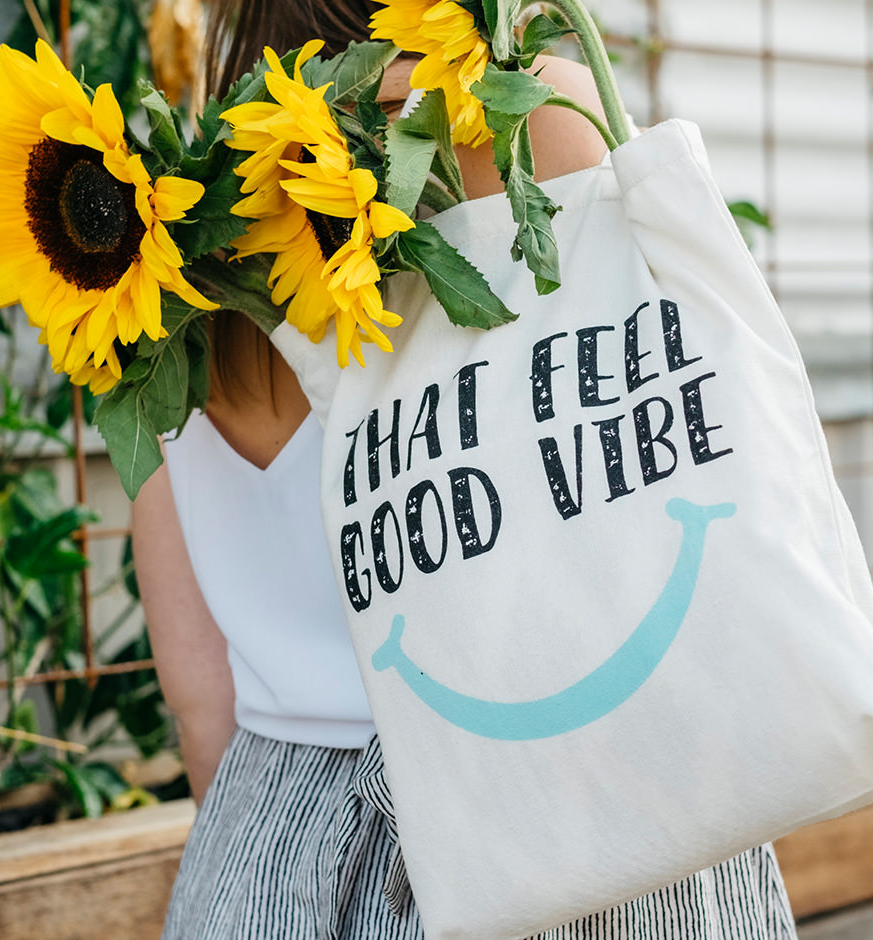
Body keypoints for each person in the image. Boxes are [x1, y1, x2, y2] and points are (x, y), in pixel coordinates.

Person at [132, 2, 802, 937]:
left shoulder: (161, 220)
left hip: (263, 833)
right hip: (582, 810)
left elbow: (200, 692)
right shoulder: (534, 114)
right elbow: (706, 440)